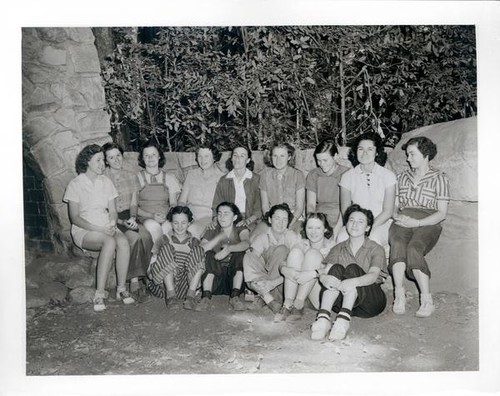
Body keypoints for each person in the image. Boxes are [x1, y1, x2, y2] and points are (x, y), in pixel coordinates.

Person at [63, 144, 135, 312]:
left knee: (123, 242)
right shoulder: (75, 184)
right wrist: (100, 229)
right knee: (109, 242)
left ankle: (121, 289)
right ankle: (99, 293)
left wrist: (111, 224)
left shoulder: (106, 181)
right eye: (98, 160)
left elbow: (113, 211)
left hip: (105, 226)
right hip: (85, 229)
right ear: (87, 161)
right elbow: (74, 218)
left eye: (103, 160)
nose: (103, 163)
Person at [389, 136, 450, 318]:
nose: (408, 158)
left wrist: (418, 223)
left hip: (428, 221)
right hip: (404, 219)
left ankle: (426, 300)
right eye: (408, 154)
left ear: (426, 154)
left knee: (414, 248)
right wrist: (396, 215)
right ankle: (399, 294)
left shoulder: (440, 178)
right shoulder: (402, 177)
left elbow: (442, 213)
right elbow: (394, 204)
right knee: (398, 242)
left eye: (412, 154)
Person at [310, 204, 387, 341]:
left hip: (370, 303)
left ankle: (342, 321)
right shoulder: (338, 248)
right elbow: (327, 271)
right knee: (336, 269)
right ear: (346, 224)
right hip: (340, 302)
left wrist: (353, 281)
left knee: (352, 269)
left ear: (368, 228)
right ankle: (323, 319)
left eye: (360, 222)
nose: (355, 225)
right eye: (351, 220)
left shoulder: (376, 248)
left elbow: (373, 276)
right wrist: (323, 278)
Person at [102, 142, 154, 298]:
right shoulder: (103, 178)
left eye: (118, 155)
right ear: (106, 161)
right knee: (134, 237)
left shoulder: (131, 175)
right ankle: (134, 281)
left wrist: (132, 217)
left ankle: (148, 275)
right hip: (111, 219)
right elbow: (104, 209)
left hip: (128, 216)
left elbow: (133, 202)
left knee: (146, 235)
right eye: (111, 157)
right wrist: (121, 222)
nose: (116, 160)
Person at [337, 132, 396, 255]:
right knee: (342, 238)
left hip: (382, 223)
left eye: (370, 149)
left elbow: (388, 211)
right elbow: (346, 210)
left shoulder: (388, 176)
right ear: (355, 151)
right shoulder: (347, 177)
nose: (364, 153)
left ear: (377, 152)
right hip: (355, 222)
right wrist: (357, 225)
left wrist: (369, 227)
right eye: (360, 149)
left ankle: (372, 273)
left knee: (372, 238)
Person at [274, 212, 335, 322]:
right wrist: (284, 269)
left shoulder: (331, 246)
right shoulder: (303, 243)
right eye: (310, 227)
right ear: (305, 229)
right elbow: (283, 262)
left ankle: (298, 305)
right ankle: (287, 304)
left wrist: (311, 274)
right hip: (298, 288)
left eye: (318, 228)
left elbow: (333, 269)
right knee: (295, 252)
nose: (313, 232)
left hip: (317, 295)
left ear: (325, 229)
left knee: (313, 254)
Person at [243, 203, 301, 313]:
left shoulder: (292, 237)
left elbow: (298, 270)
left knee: (282, 249)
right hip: (264, 284)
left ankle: (264, 297)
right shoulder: (263, 237)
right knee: (248, 256)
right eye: (277, 218)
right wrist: (261, 283)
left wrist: (273, 283)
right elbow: (252, 263)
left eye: (284, 219)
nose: (280, 223)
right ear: (270, 220)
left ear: (288, 222)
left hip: (283, 285)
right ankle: (268, 298)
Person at [146, 206, 205, 310]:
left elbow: (198, 268)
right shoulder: (164, 239)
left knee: (199, 250)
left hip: (184, 289)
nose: (179, 226)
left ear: (189, 223)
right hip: (162, 287)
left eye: (183, 223)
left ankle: (190, 298)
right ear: (171, 223)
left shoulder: (194, 241)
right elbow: (150, 271)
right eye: (176, 223)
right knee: (167, 247)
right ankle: (171, 296)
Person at [195, 202, 250, 311]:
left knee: (240, 253)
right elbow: (200, 249)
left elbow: (246, 243)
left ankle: (235, 298)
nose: (221, 217)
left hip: (234, 282)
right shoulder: (213, 228)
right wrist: (218, 238)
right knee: (210, 254)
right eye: (219, 214)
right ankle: (206, 297)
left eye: (226, 214)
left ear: (234, 217)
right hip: (215, 281)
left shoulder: (240, 228)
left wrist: (229, 248)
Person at [136, 141, 181, 244]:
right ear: (142, 158)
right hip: (146, 217)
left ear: (159, 156)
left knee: (168, 228)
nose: (150, 158)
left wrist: (167, 216)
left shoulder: (170, 178)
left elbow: (173, 204)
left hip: (165, 216)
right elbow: (133, 207)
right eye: (146, 155)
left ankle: (167, 257)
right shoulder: (137, 178)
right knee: (154, 227)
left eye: (153, 154)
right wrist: (152, 216)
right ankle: (158, 257)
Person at [212, 146, 262, 239]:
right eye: (235, 155)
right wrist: (215, 220)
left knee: (244, 238)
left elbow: (259, 208)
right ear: (231, 158)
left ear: (248, 160)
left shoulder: (256, 179)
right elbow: (217, 204)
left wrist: (247, 221)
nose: (237, 159)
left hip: (250, 219)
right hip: (228, 218)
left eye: (242, 156)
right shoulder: (224, 180)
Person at [178, 145, 225, 239]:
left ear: (214, 158)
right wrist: (182, 216)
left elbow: (224, 206)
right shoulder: (191, 174)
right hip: (189, 214)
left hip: (208, 217)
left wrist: (216, 220)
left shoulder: (222, 178)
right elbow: (182, 201)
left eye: (207, 156)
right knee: (169, 227)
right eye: (200, 156)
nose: (203, 160)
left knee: (192, 230)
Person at [258, 141, 305, 234]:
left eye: (282, 156)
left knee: (294, 239)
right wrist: (272, 224)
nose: (278, 160)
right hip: (272, 218)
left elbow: (299, 208)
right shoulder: (265, 175)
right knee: (255, 238)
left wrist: (288, 225)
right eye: (275, 156)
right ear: (271, 157)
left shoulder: (297, 175)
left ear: (289, 157)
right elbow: (265, 206)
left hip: (293, 218)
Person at [306, 139, 349, 236]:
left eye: (325, 160)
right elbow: (311, 205)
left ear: (335, 157)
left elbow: (346, 209)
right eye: (319, 161)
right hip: (320, 219)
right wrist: (313, 225)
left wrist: (337, 231)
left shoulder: (347, 174)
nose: (322, 164)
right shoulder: (313, 175)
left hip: (341, 218)